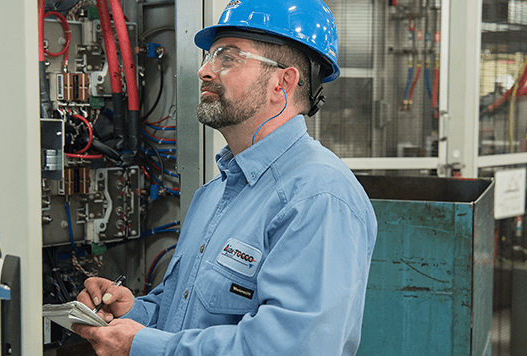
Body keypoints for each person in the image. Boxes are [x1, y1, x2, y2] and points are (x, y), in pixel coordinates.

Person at [73, 0, 378, 355]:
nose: (205, 70)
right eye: (210, 56)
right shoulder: (213, 194)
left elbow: (291, 347)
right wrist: (133, 313)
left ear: (283, 81)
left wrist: (141, 346)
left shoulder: (318, 196)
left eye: (228, 58)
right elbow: (180, 314)